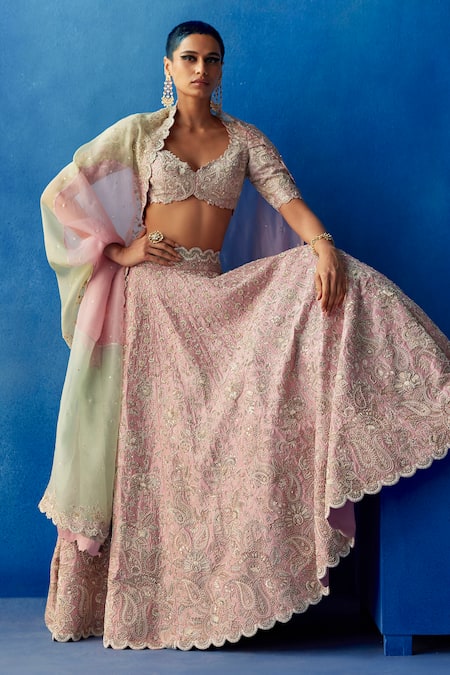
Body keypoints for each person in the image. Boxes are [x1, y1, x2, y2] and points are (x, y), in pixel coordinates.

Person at [39, 20, 450, 650]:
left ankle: (432, 384)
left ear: (222, 69)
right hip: (154, 307)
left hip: (212, 294)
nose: (201, 70)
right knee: (166, 455)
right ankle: (161, 596)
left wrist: (321, 244)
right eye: (189, 59)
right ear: (168, 67)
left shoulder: (245, 139)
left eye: (212, 60)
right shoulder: (140, 135)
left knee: (336, 278)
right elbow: (62, 200)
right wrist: (121, 252)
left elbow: (289, 201)